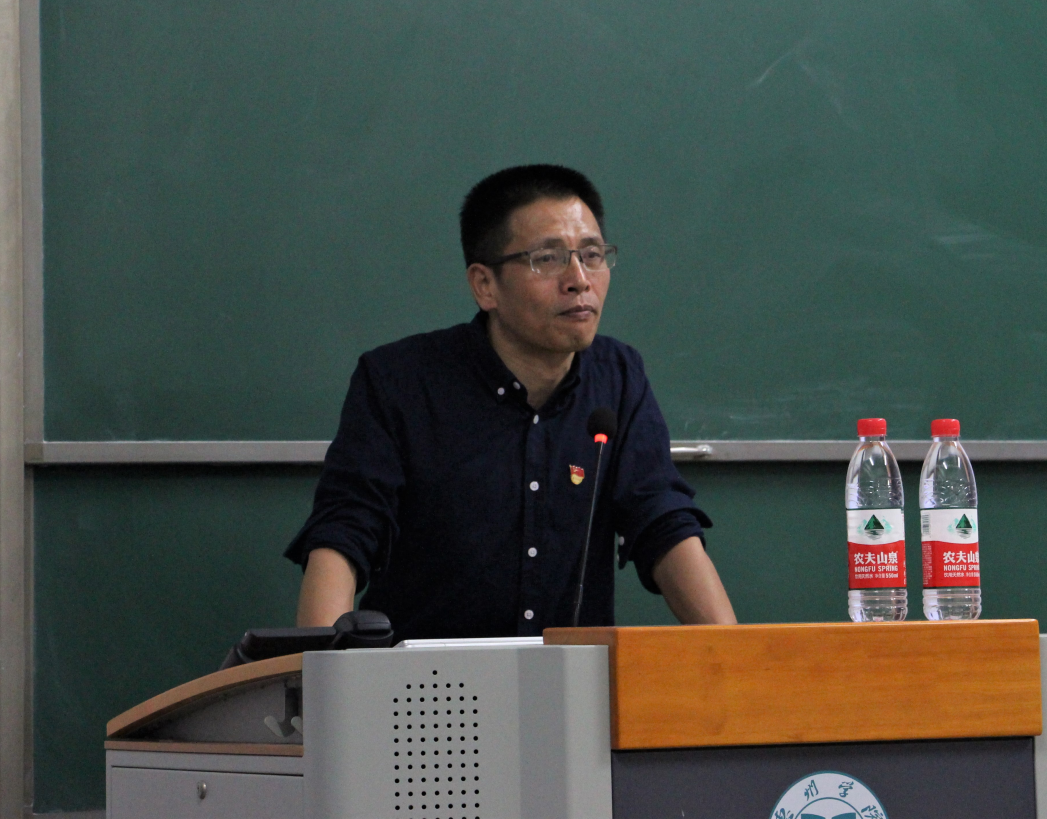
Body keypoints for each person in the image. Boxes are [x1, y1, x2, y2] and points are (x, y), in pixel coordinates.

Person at [285, 164, 736, 639]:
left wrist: (735, 654)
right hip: (425, 678)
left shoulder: (619, 377)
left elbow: (661, 520)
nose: (579, 279)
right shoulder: (399, 382)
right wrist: (321, 667)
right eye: (548, 258)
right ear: (485, 285)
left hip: (571, 675)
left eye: (592, 255)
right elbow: (346, 530)